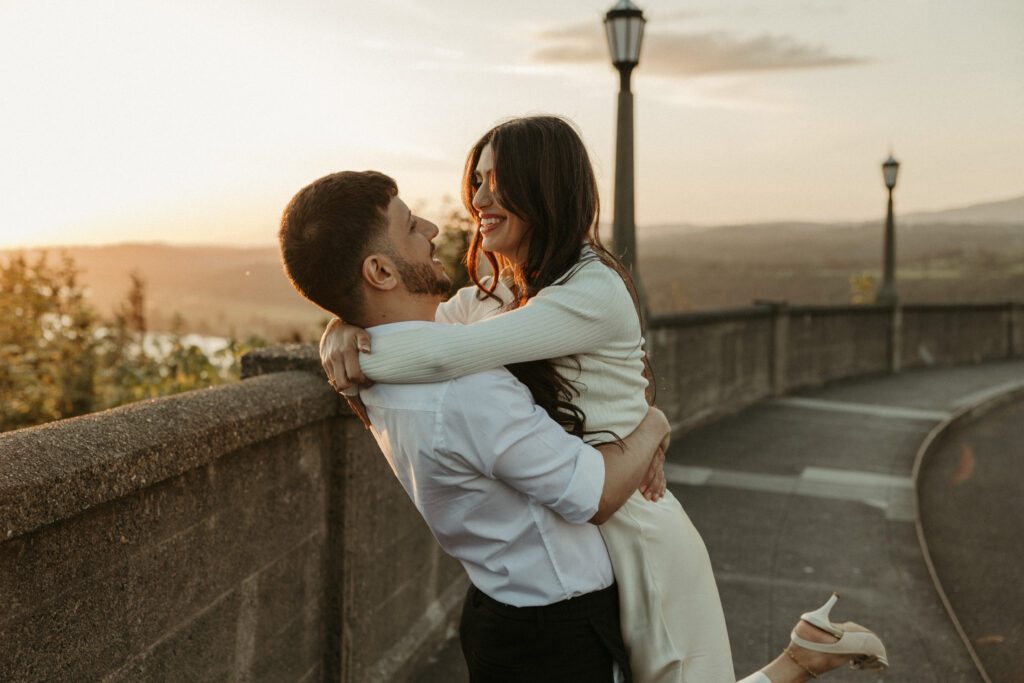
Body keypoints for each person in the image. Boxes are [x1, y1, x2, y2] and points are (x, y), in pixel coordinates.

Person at [316, 119, 888, 682]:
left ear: (546, 186)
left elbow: (441, 357)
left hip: (638, 530)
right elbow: (416, 319)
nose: (479, 198)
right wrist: (343, 322)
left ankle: (804, 656)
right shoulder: (505, 291)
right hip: (588, 538)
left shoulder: (592, 291)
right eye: (478, 181)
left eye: (497, 181)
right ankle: (808, 650)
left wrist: (355, 363)